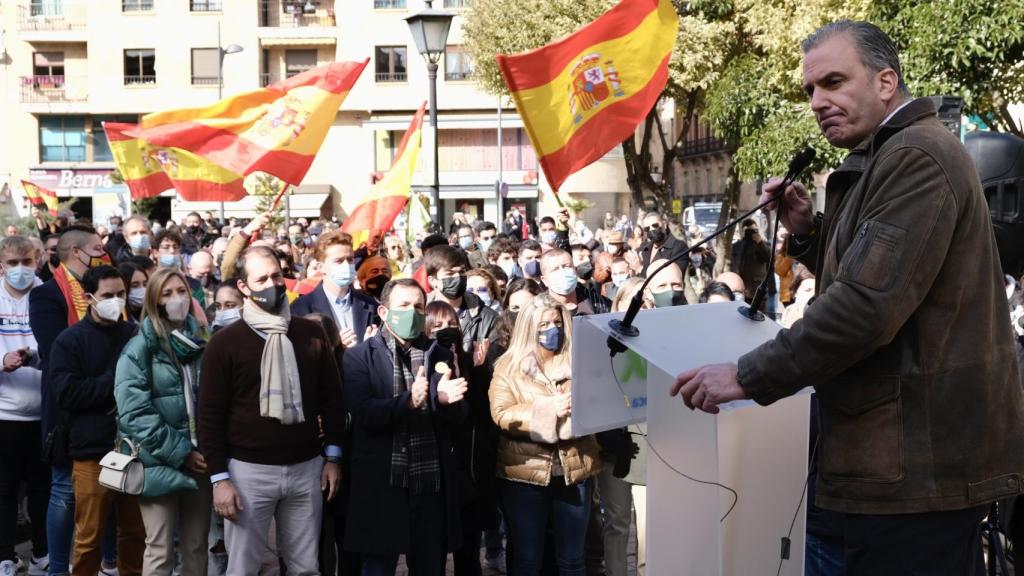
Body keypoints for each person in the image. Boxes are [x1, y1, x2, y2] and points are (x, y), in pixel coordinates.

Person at [671, 20, 1024, 574]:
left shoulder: (917, 157)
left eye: (834, 82)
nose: (818, 101)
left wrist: (746, 375)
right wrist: (810, 233)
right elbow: (880, 281)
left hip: (910, 481)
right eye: (811, 89)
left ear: (886, 82)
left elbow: (866, 307)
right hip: (881, 470)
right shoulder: (885, 157)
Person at [198, 246, 345, 575]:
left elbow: (332, 400)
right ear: (244, 287)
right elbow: (209, 415)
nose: (272, 284)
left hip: (307, 469)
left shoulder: (311, 333)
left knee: (306, 568)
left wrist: (333, 457)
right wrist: (220, 479)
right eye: (261, 278)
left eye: (277, 275)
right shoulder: (225, 344)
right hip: (248, 473)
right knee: (244, 568)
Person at [342, 279, 468, 575]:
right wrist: (407, 403)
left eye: (418, 307)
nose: (412, 313)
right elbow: (363, 413)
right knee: (378, 566)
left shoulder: (439, 354)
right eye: (403, 306)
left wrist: (448, 403)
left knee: (428, 565)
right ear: (384, 312)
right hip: (382, 480)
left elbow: (458, 420)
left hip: (429, 483)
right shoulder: (360, 356)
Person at [489, 292, 601, 576]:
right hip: (525, 475)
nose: (553, 329)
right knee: (528, 559)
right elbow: (502, 414)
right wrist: (549, 409)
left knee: (573, 559)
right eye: (544, 325)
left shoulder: (579, 362)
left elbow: (600, 404)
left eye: (557, 322)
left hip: (574, 470)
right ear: (529, 328)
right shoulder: (508, 366)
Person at [115, 267, 212, 575]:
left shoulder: (202, 342)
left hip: (201, 460)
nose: (177, 299)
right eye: (168, 293)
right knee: (159, 548)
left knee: (197, 546)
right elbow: (134, 413)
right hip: (158, 461)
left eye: (181, 291)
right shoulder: (139, 347)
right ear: (155, 300)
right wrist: (182, 452)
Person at [49, 265, 144, 576]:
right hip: (91, 451)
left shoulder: (134, 333)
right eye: (108, 295)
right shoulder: (69, 341)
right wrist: (118, 380)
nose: (115, 301)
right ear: (89, 298)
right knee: (89, 537)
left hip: (134, 449)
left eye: (121, 294)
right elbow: (68, 394)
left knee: (134, 533)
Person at [29, 225, 110, 576]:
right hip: (67, 406)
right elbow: (56, 351)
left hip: (104, 405)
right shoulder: (46, 295)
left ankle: (110, 560)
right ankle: (58, 569)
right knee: (64, 488)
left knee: (110, 483)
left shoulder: (105, 290)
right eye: (97, 248)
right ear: (77, 252)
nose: (102, 253)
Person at [0, 236, 48, 576]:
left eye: (26, 261)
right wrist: (3, 359)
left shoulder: (48, 296)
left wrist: (35, 357)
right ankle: (5, 556)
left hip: (44, 412)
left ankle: (42, 553)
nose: (20, 270)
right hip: (4, 413)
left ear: (38, 260)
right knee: (3, 490)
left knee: (42, 490)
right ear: (2, 264)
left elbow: (61, 344)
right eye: (13, 263)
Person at [292, 231, 380, 348]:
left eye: (350, 260)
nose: (346, 265)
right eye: (338, 261)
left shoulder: (370, 305)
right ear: (321, 267)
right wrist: (336, 347)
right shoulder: (301, 308)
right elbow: (303, 356)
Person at [539, 249, 593, 315]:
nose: (562, 272)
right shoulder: (539, 311)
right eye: (555, 269)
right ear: (544, 280)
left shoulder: (596, 302)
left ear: (575, 271)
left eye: (567, 266)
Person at [729, 219, 770, 301]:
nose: (750, 232)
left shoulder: (763, 245)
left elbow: (768, 258)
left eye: (753, 230)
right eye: (747, 230)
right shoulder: (737, 246)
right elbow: (733, 264)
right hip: (741, 287)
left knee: (760, 312)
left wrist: (760, 243)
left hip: (758, 287)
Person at [635, 212, 688, 276]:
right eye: (647, 228)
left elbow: (674, 276)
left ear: (664, 225)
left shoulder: (679, 246)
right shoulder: (644, 248)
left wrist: (640, 269)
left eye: (655, 225)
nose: (652, 229)